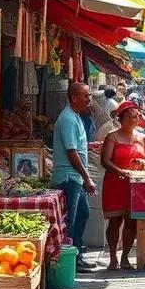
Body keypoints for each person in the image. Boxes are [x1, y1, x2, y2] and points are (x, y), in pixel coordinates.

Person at [52, 82, 98, 272]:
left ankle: (77, 254)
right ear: (74, 98)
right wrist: (87, 177)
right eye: (86, 96)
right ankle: (69, 260)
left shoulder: (76, 117)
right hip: (69, 178)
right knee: (71, 220)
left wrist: (91, 146)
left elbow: (77, 146)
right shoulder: (68, 119)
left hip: (75, 178)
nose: (89, 100)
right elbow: (71, 152)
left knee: (82, 214)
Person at [100, 101, 145, 270]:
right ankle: (113, 257)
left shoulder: (143, 138)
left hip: (136, 185)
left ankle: (125, 257)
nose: (134, 120)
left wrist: (142, 163)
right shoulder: (112, 137)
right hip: (115, 183)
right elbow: (105, 161)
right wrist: (120, 171)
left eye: (136, 117)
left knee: (132, 222)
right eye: (130, 117)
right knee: (115, 221)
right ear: (121, 119)